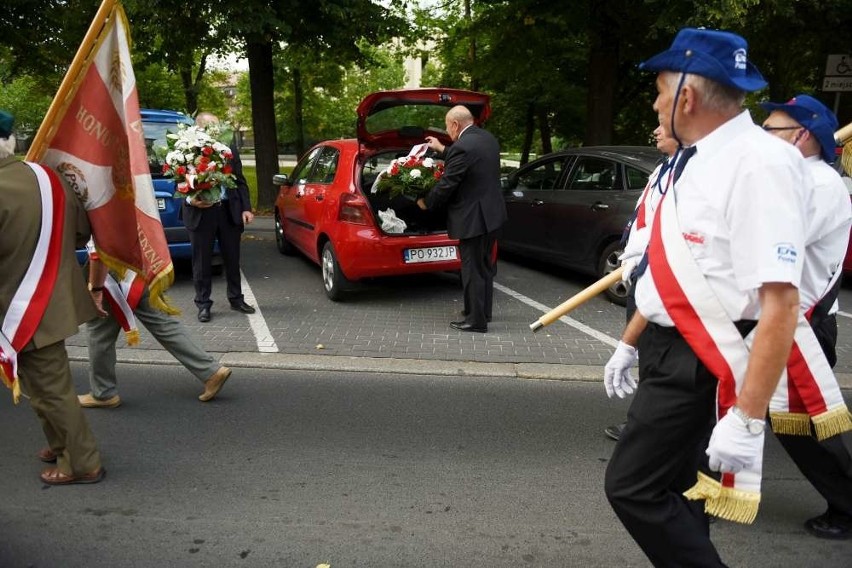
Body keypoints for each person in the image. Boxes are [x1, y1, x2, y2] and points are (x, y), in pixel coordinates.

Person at [602, 28, 809, 566]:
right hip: (671, 347)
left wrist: (748, 416)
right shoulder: (698, 158)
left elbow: (781, 304)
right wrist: (630, 342)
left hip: (703, 358)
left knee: (633, 487)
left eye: (660, 91)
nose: (655, 102)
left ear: (686, 99)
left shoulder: (759, 164)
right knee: (680, 488)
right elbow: (673, 269)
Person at [759, 94, 852, 540]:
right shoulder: (798, 180)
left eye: (769, 131)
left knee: (808, 427)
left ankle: (848, 505)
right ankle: (702, 482)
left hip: (803, 325)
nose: (761, 137)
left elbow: (773, 241)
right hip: (780, 320)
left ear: (799, 136)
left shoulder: (818, 184)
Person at [0, 109, 105, 485]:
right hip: (51, 297)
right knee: (39, 384)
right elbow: (80, 233)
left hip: (17, 306)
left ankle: (80, 462)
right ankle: (60, 442)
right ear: (10, 140)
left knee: (51, 390)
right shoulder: (47, 176)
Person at [77, 246, 233, 408]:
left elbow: (98, 249)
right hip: (138, 261)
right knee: (162, 322)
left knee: (99, 331)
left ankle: (103, 392)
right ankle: (210, 370)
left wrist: (96, 289)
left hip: (110, 270)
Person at [603, 124, 679, 441]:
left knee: (655, 353)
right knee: (649, 352)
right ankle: (648, 420)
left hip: (658, 273)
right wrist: (633, 256)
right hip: (642, 269)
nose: (656, 130)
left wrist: (645, 258)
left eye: (664, 124)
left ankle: (646, 424)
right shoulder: (666, 167)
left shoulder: (687, 174)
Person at [416, 105, 507, 333]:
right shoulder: (487, 139)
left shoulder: (463, 147)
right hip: (493, 215)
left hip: (473, 218)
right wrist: (443, 149)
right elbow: (468, 158)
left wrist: (427, 202)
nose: (448, 132)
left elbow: (448, 184)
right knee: (485, 267)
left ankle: (475, 321)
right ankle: (483, 313)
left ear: (455, 124)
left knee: (472, 270)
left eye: (447, 127)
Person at [182, 111, 255, 323]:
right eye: (213, 127)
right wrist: (189, 200)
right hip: (200, 211)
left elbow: (239, 180)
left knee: (232, 259)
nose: (218, 130)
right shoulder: (188, 150)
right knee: (202, 261)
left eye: (218, 126)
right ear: (200, 129)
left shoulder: (229, 149)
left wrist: (246, 208)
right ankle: (203, 304)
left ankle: (236, 298)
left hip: (228, 211)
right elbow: (178, 180)